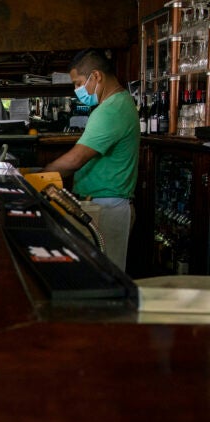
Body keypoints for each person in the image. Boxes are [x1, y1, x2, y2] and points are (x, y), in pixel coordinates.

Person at [43, 48, 140, 272]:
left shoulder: (111, 110)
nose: (77, 90)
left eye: (78, 83)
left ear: (96, 76)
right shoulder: (116, 104)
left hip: (108, 206)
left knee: (107, 278)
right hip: (103, 203)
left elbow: (76, 159)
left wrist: (37, 177)